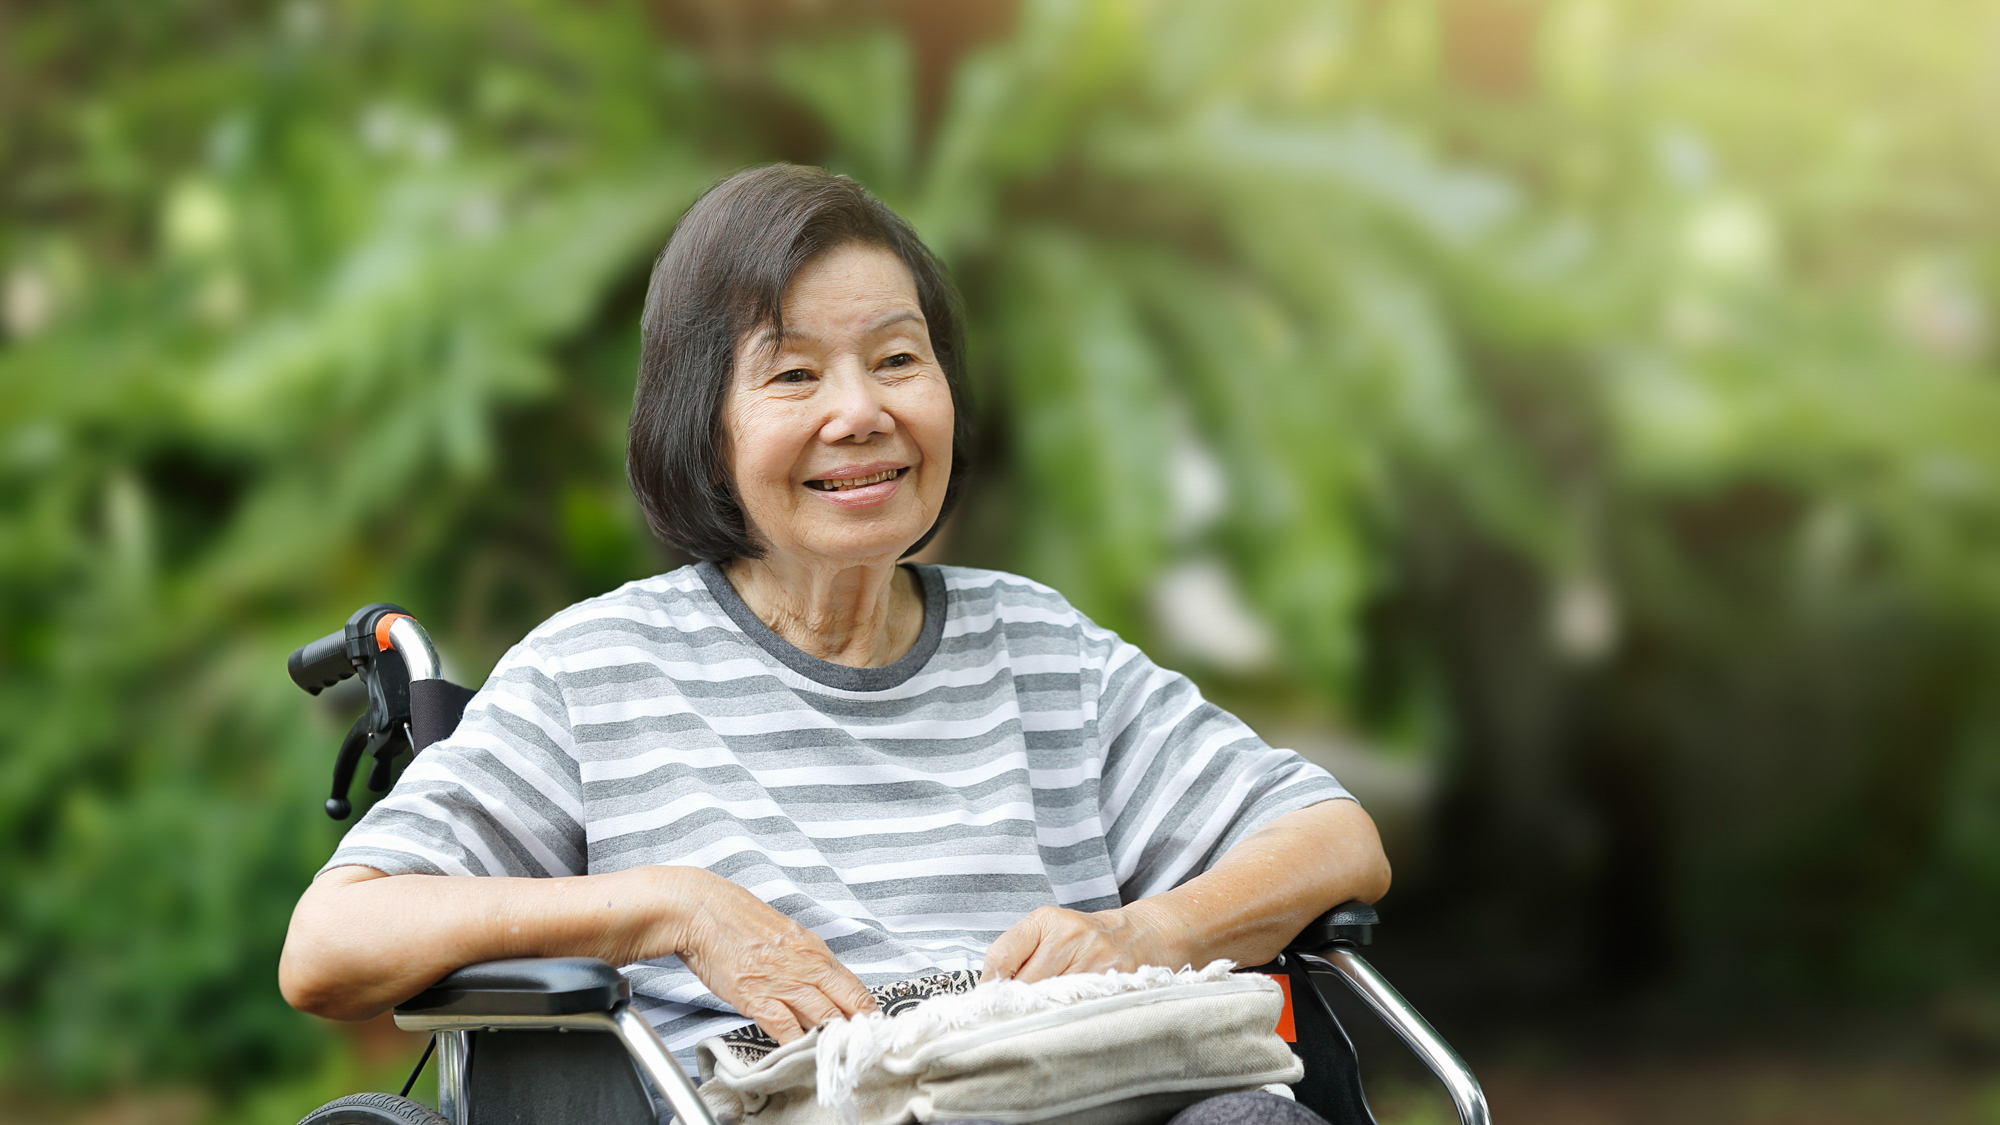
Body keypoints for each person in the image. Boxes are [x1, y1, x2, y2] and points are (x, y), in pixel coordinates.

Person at [279, 165, 1391, 1124]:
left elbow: (1332, 838)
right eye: (794, 374)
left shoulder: (1043, 649)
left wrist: (1150, 932)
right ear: (701, 426)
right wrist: (671, 908)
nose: (859, 413)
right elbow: (330, 945)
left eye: (897, 360)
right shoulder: (596, 672)